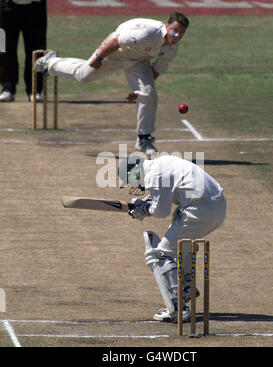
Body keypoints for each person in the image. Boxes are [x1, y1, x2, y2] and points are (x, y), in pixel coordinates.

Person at [33, 13, 189, 155]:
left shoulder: (172, 48)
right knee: (84, 76)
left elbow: (156, 69)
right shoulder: (148, 34)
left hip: (139, 61)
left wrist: (138, 91)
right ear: (167, 26)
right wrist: (98, 59)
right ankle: (50, 62)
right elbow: (116, 41)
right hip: (117, 51)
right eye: (174, 30)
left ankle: (143, 139)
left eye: (181, 32)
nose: (176, 35)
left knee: (148, 93)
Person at [118, 154, 226, 322]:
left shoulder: (154, 175)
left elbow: (160, 211)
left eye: (130, 180)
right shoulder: (161, 164)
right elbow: (164, 194)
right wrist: (143, 204)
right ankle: (186, 288)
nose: (132, 185)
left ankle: (178, 306)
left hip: (200, 209)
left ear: (135, 174)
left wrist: (142, 210)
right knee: (183, 245)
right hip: (216, 207)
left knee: (162, 254)